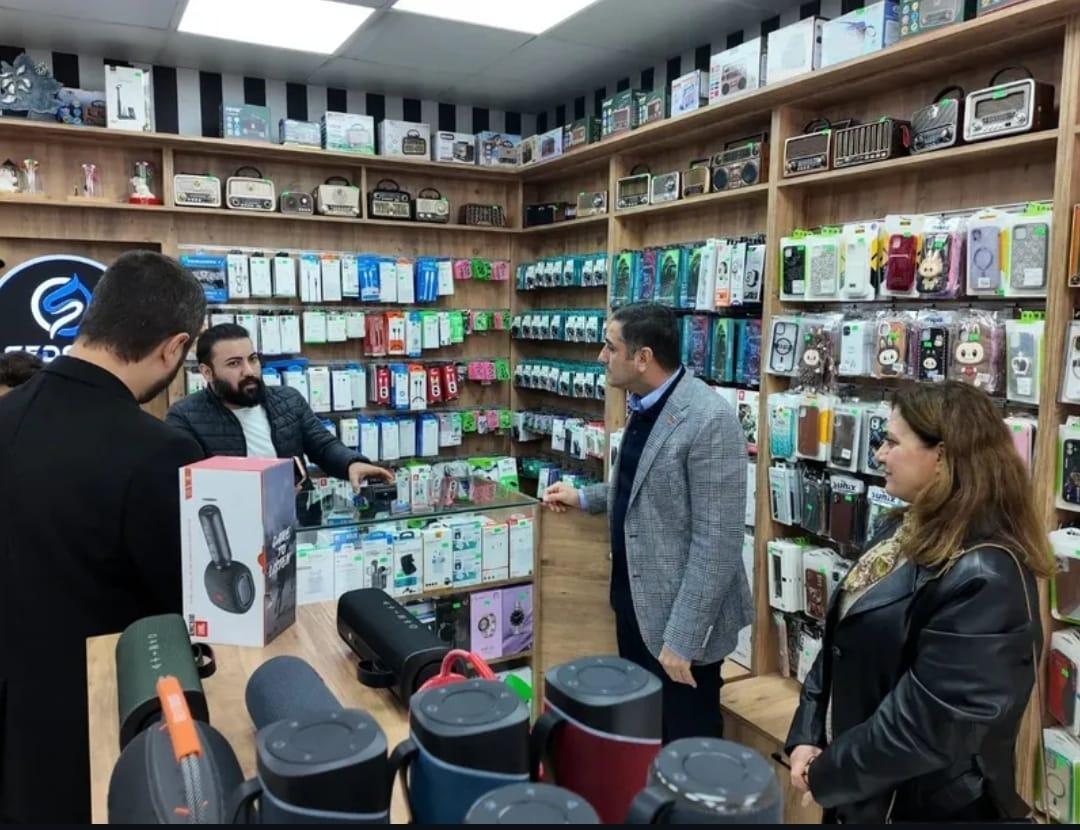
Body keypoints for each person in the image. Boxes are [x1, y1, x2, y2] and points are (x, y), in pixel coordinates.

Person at [0, 251, 207, 823]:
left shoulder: (8, 416)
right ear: (174, 348)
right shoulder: (160, 451)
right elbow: (184, 607)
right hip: (98, 734)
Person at [786, 381, 1050, 823]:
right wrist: (808, 732)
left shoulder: (986, 575)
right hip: (863, 792)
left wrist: (826, 773)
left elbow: (924, 726)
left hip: (919, 807)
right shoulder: (903, 529)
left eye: (892, 442)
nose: (878, 455)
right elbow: (839, 641)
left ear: (942, 455)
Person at [543, 302, 751, 743]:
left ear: (643, 358)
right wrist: (586, 497)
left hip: (679, 626)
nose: (601, 356)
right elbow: (643, 487)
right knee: (643, 736)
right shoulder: (645, 404)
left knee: (685, 743)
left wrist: (683, 638)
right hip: (636, 607)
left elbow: (718, 542)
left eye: (610, 347)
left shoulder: (710, 420)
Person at [165, 324, 393, 493]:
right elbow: (188, 486)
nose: (249, 371)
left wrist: (351, 463)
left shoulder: (288, 400)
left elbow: (323, 446)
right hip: (230, 531)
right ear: (207, 372)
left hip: (297, 521)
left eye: (253, 359)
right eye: (234, 363)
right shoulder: (185, 417)